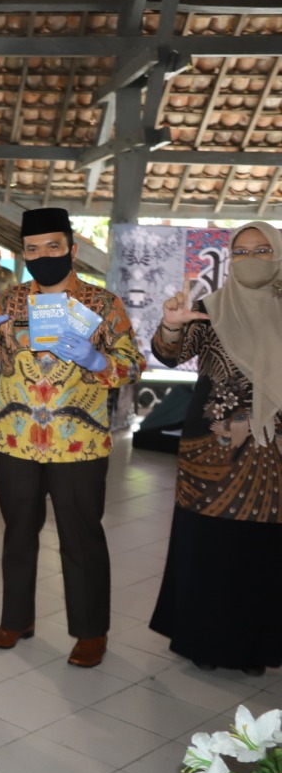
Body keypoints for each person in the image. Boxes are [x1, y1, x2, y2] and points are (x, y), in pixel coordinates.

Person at [0, 207, 144, 668]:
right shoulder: (5, 302)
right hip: (15, 436)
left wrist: (98, 360)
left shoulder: (102, 305)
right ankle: (16, 619)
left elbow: (132, 365)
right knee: (17, 532)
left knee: (81, 535)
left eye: (53, 247)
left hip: (78, 441)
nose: (43, 256)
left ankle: (90, 631)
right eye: (33, 249)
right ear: (23, 254)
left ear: (72, 249)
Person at [149, 221, 282, 677]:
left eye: (262, 249)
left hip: (275, 454)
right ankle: (203, 641)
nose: (252, 258)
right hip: (213, 451)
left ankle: (257, 646)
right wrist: (170, 325)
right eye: (242, 251)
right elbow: (169, 354)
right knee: (210, 545)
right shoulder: (209, 308)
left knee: (263, 549)